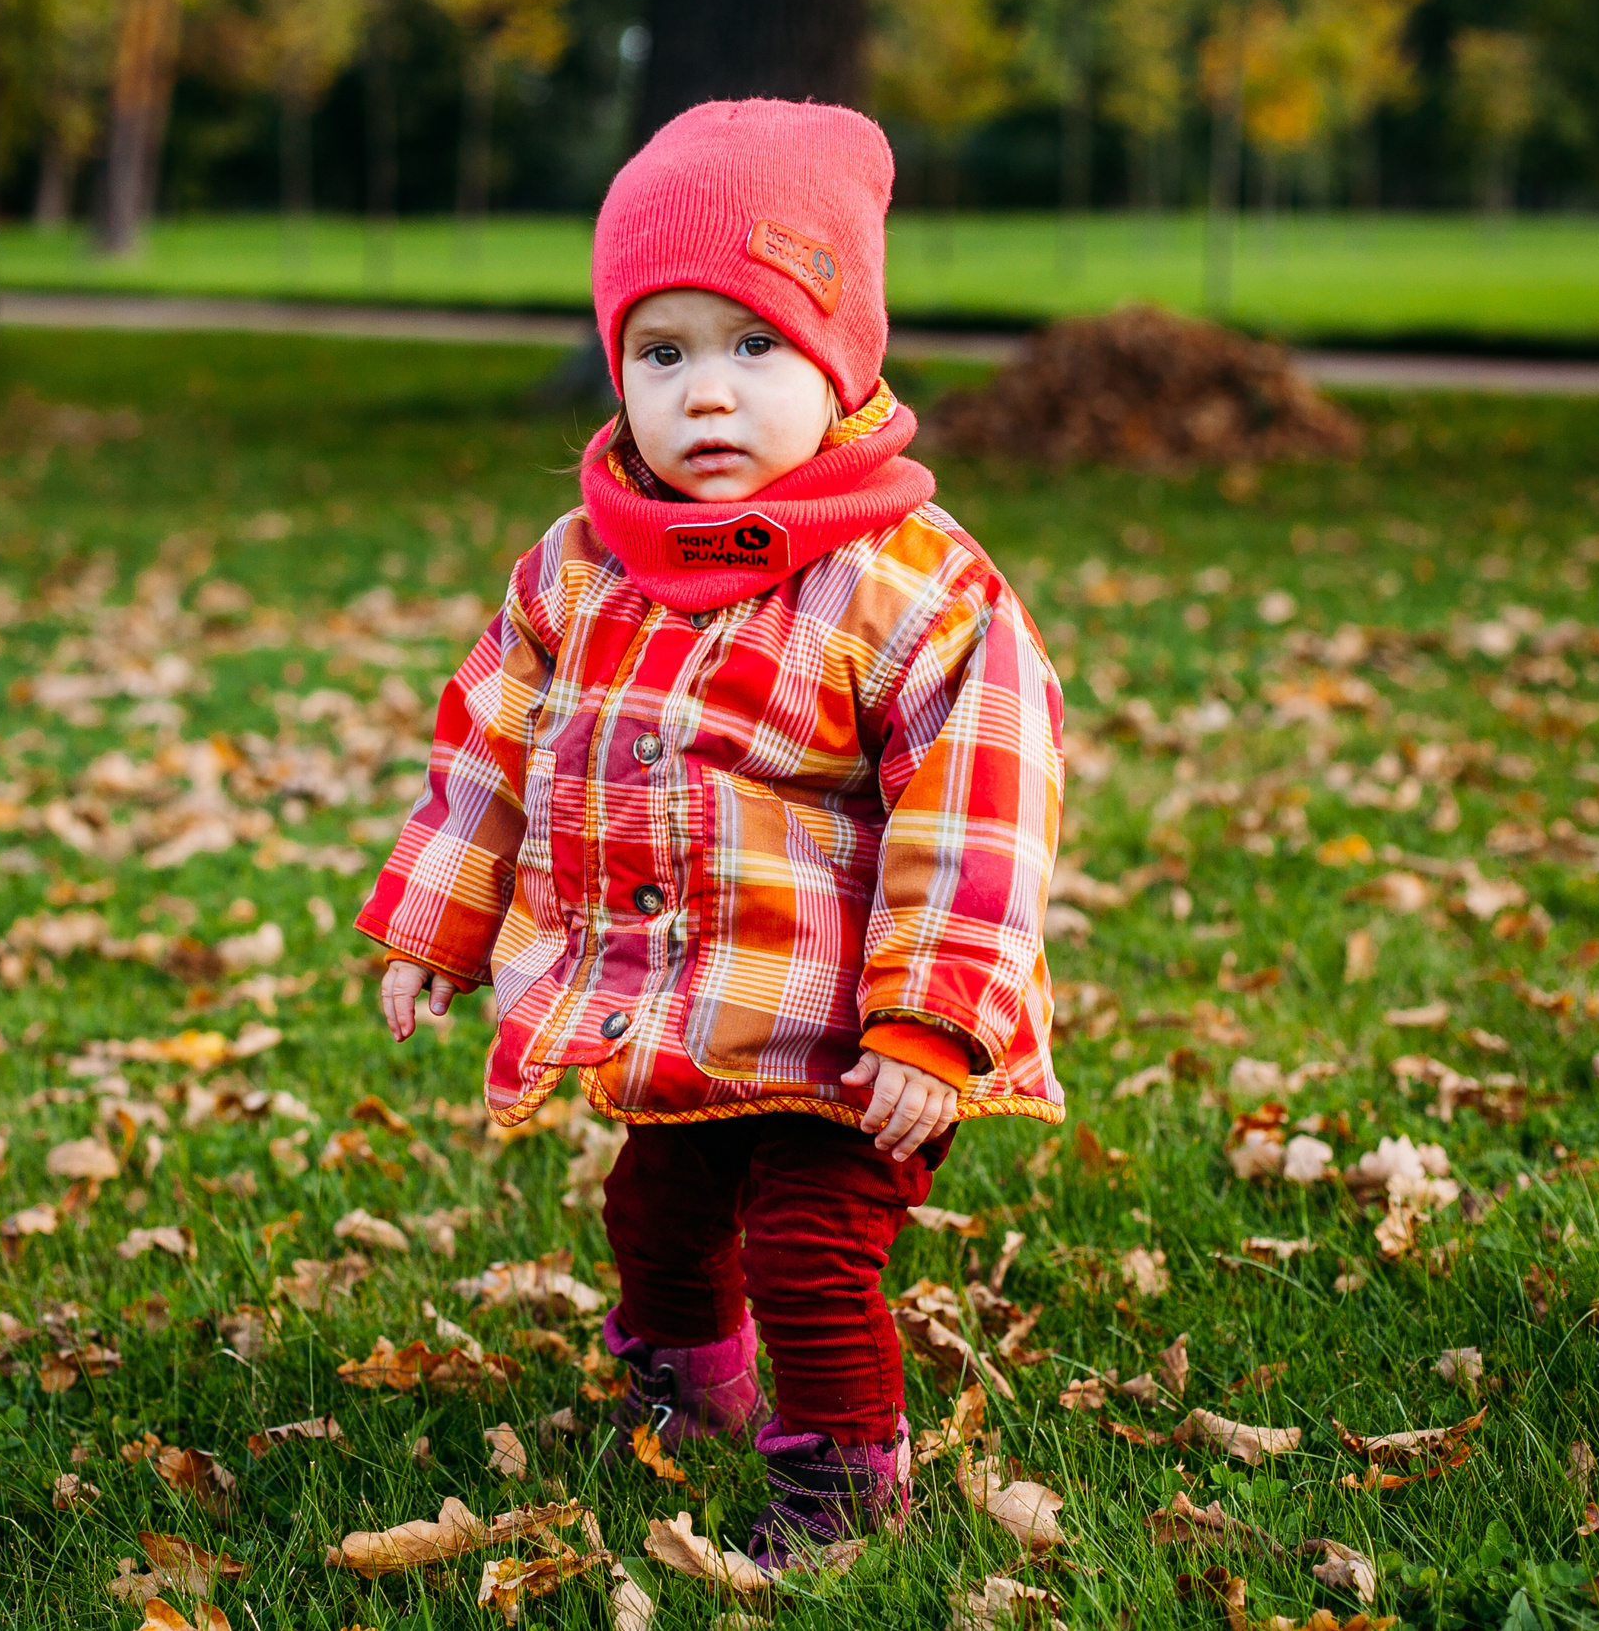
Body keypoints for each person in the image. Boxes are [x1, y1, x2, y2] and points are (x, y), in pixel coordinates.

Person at [355, 99, 1067, 1566]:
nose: (708, 399)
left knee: (810, 1251)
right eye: (662, 354)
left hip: (850, 1038)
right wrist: (442, 917)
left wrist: (934, 1022)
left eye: (757, 348)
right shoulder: (579, 566)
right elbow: (491, 745)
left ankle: (840, 1473)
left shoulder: (915, 588)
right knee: (658, 1219)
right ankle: (689, 1393)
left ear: (846, 357)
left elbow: (981, 813)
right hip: (678, 1013)